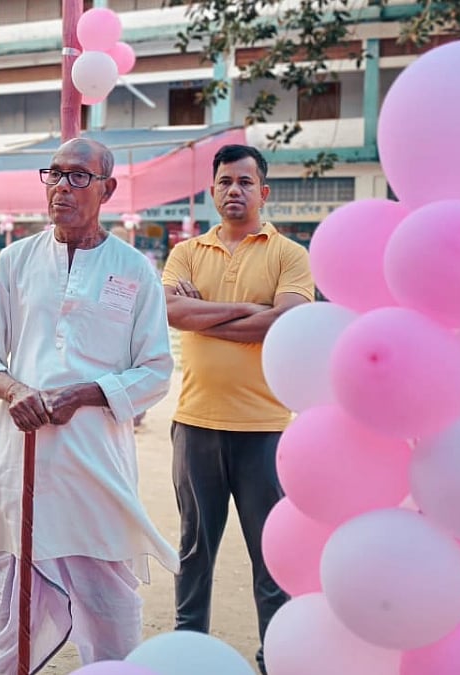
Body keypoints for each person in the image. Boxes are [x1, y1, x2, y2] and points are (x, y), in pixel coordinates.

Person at [0, 137, 179, 673]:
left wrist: (83, 394)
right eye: (55, 174)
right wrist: (15, 391)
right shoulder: (15, 261)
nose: (63, 186)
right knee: (14, 608)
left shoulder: (133, 271)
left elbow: (155, 370)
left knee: (111, 608)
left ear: (107, 189)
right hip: (21, 461)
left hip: (95, 465)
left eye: (79, 176)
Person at [160, 144, 313, 675]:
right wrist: (252, 310)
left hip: (265, 430)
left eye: (246, 182)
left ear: (263, 192)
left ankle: (278, 658)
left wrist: (205, 313)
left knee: (270, 556)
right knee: (194, 552)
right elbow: (172, 312)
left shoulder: (289, 254)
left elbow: (285, 322)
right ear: (212, 190)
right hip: (196, 424)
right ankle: (187, 654)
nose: (235, 191)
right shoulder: (185, 252)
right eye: (225, 182)